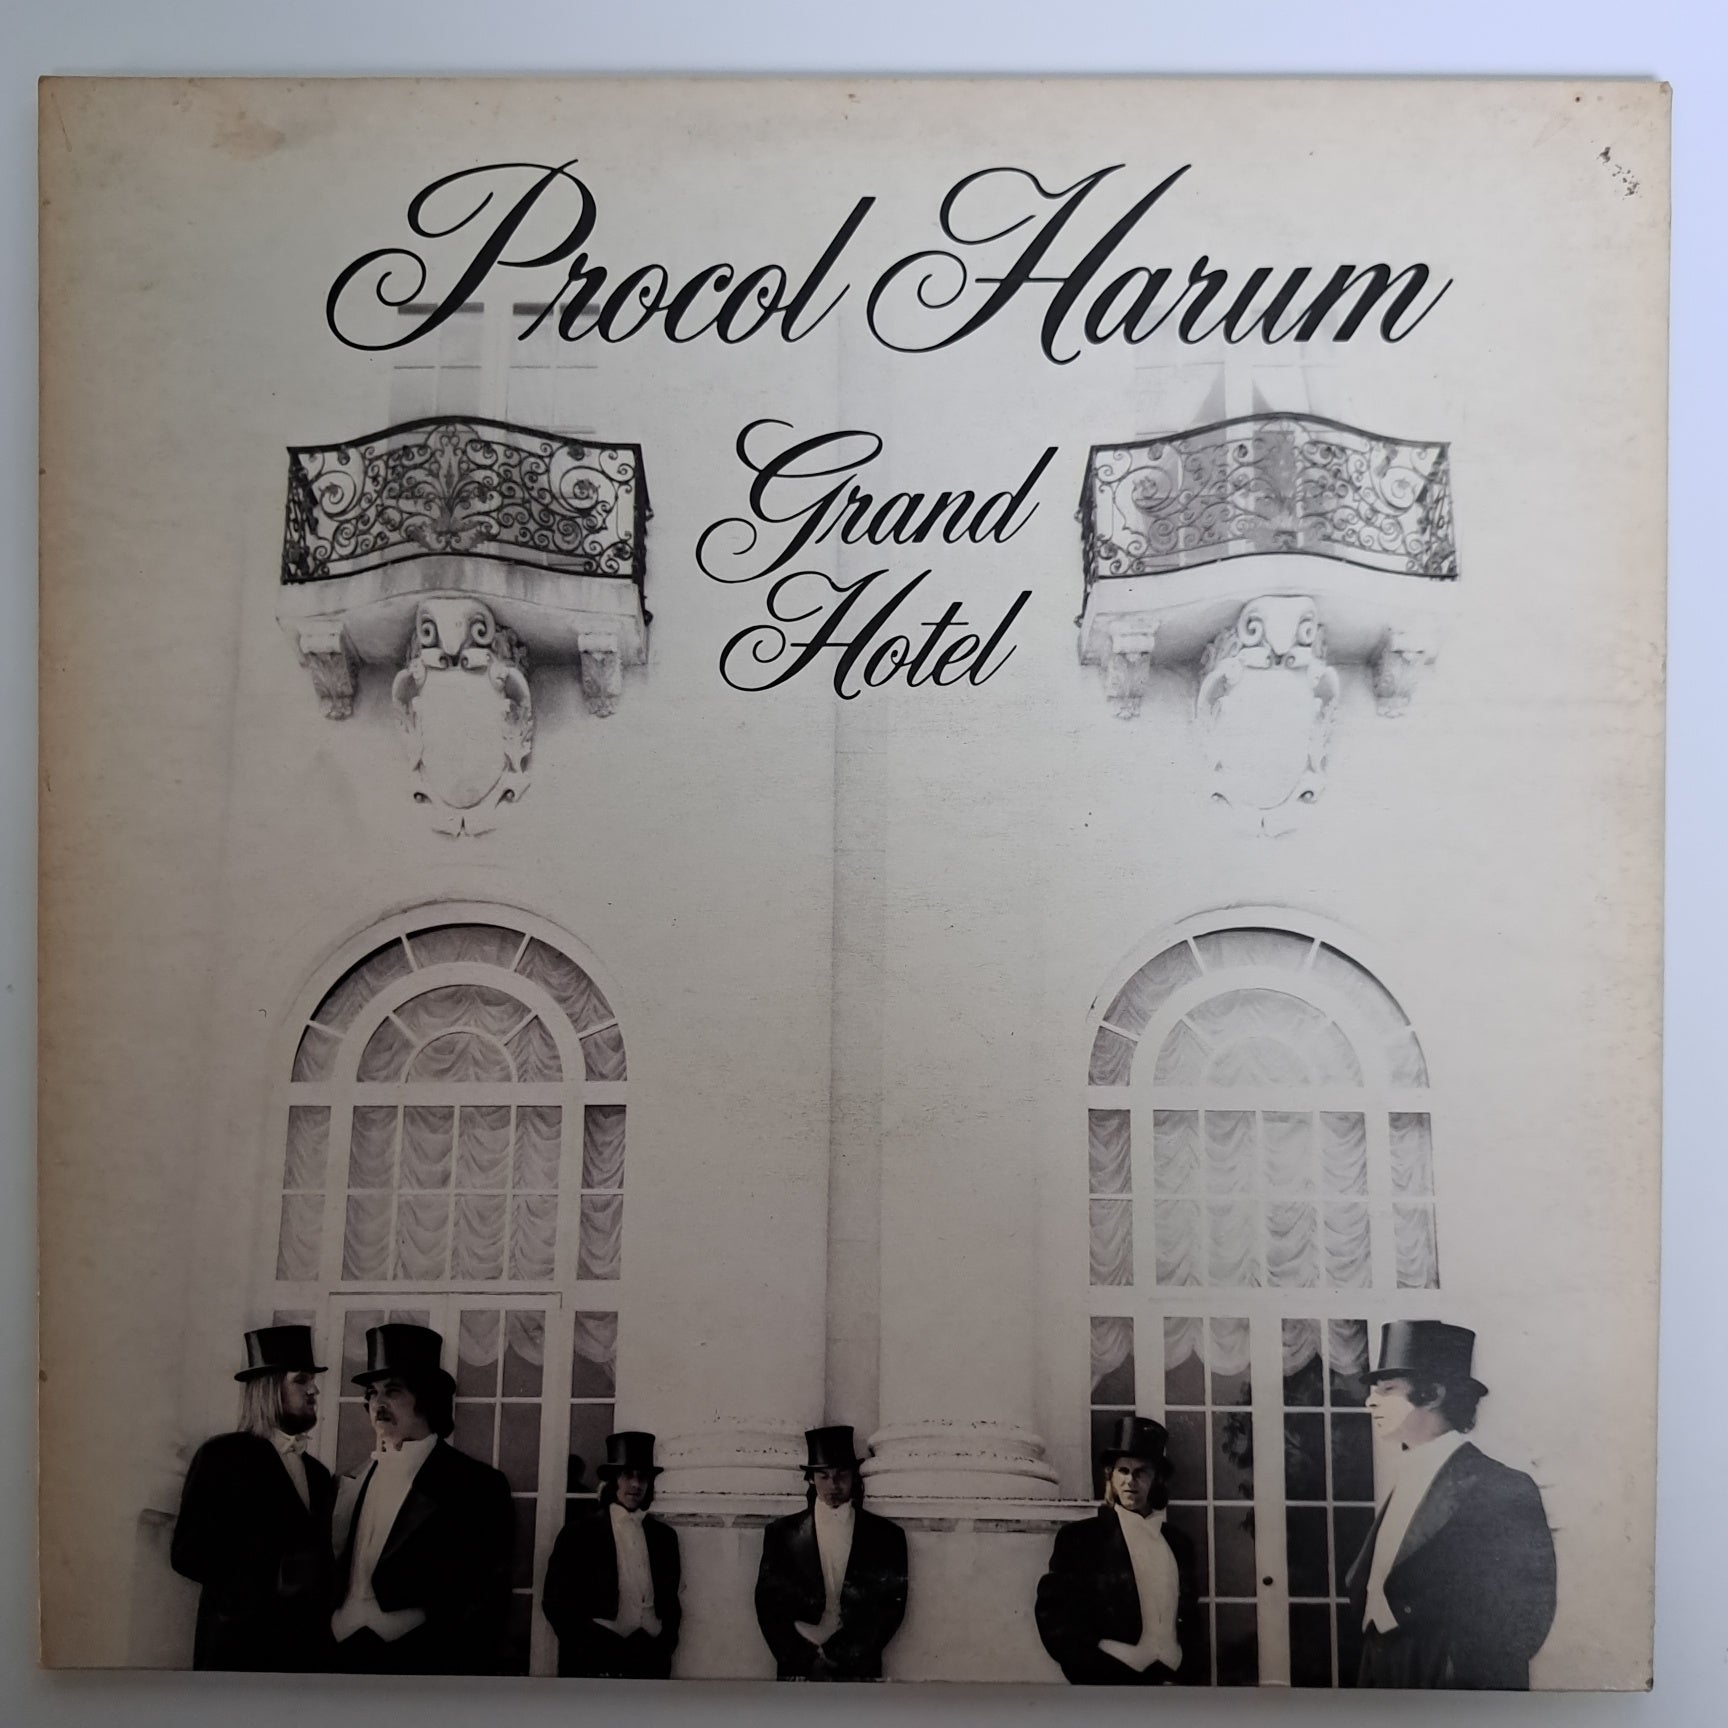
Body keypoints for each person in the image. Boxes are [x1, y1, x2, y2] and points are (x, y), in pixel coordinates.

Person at [1345, 1320, 1557, 1689]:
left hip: (1449, 1680)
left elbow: (1527, 1616)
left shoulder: (1501, 1487)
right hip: (1379, 1674)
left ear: (1434, 1394)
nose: (1370, 1401)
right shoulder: (1405, 1477)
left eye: (1388, 1390)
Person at [329, 1323, 515, 1675]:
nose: (378, 1404)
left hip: (421, 1663)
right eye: (372, 1393)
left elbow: (486, 1599)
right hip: (338, 1661)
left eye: (393, 1391)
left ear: (426, 1397)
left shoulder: (476, 1485)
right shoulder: (346, 1482)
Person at [171, 1325, 336, 1671]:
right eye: (302, 1380)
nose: (314, 1389)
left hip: (302, 1659)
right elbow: (187, 1554)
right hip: (237, 1652)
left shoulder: (319, 1476)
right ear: (270, 1387)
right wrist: (273, 1573)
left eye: (312, 1380)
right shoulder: (221, 1456)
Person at [1035, 1414, 1200, 1685]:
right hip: (1109, 1682)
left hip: (1172, 1686)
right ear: (1110, 1477)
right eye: (1123, 1471)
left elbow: (1192, 1623)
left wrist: (1188, 1677)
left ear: (1157, 1480)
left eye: (1141, 1472)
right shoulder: (1081, 1539)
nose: (1130, 1481)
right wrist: (1094, 1676)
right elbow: (1055, 1620)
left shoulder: (1179, 1544)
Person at [754, 1425, 908, 1680]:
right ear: (811, 1479)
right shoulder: (781, 1534)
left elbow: (891, 1608)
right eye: (823, 1476)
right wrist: (806, 1659)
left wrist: (840, 1656)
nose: (833, 1485)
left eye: (841, 1475)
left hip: (858, 1667)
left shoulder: (887, 1536)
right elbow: (768, 1606)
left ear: (854, 1477)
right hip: (799, 1669)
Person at [541, 1430, 682, 1677]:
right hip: (598, 1665)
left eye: (642, 1476)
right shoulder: (579, 1533)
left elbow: (671, 1604)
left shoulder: (664, 1538)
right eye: (627, 1475)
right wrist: (596, 1650)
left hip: (650, 1665)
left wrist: (663, 1645)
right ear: (613, 1480)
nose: (636, 1484)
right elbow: (556, 1605)